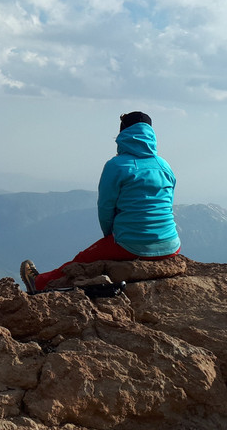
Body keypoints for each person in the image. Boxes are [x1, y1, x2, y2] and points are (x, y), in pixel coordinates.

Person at [19, 111, 180, 294]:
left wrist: (109, 238)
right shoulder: (164, 166)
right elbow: (167, 204)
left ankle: (39, 283)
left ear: (123, 134)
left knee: (81, 260)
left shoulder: (116, 165)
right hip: (171, 245)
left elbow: (105, 207)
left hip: (131, 244)